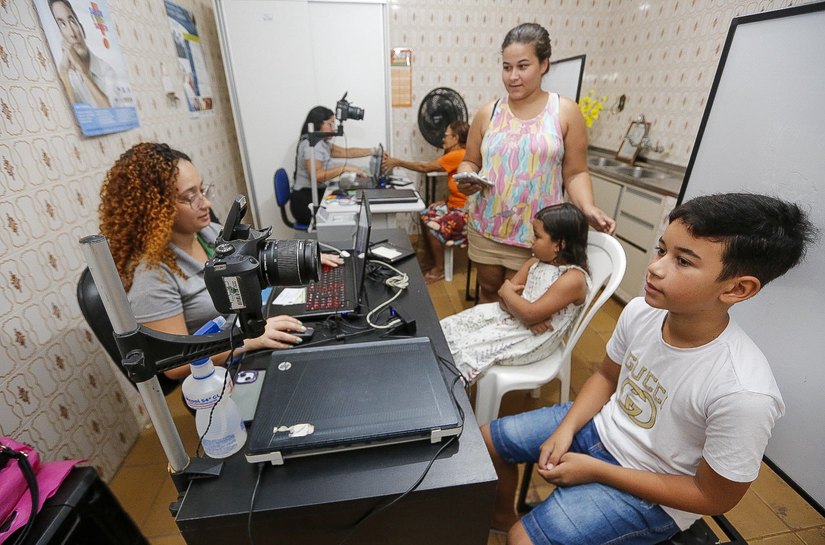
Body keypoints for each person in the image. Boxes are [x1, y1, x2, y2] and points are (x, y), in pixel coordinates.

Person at [482, 193, 816, 545]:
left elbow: (713, 497)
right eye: (661, 250)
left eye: (683, 261)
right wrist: (567, 429)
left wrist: (596, 470)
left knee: (523, 541)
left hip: (655, 491)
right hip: (601, 429)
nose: (656, 267)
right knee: (487, 442)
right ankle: (504, 516)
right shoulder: (641, 312)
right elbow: (606, 376)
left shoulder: (743, 392)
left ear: (738, 288)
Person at [99, 142, 342, 380]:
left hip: (250, 328)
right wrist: (248, 340)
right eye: (190, 197)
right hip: (219, 370)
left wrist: (301, 259)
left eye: (202, 190)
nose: (206, 203)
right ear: (155, 208)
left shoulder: (207, 233)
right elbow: (174, 366)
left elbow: (255, 264)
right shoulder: (151, 277)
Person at [457, 22, 615, 303]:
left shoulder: (565, 112)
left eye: (522, 66)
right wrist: (466, 176)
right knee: (489, 292)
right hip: (486, 228)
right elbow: (470, 161)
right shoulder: (488, 113)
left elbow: (576, 172)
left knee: (526, 302)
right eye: (507, 67)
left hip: (538, 237)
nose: (513, 77)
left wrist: (587, 206)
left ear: (544, 65)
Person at [440, 203, 590, 384]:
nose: (531, 240)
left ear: (560, 245)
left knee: (468, 350)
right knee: (452, 327)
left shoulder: (573, 278)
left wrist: (510, 295)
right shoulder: (535, 262)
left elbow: (522, 306)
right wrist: (521, 310)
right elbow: (507, 301)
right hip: (515, 319)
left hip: (535, 339)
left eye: (537, 236)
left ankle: (445, 392)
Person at [383, 120, 470, 283]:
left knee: (432, 224)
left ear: (456, 138)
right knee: (425, 213)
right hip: (455, 206)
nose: (442, 139)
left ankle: (439, 269)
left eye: (446, 136)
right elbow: (460, 189)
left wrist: (398, 162)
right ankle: (430, 259)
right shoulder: (458, 155)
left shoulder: (458, 154)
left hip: (465, 213)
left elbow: (425, 168)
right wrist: (445, 201)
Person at [290, 106, 374, 225]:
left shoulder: (322, 143)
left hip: (316, 194)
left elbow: (348, 152)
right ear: (318, 124)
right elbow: (317, 175)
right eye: (330, 124)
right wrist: (344, 168)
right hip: (306, 202)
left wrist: (373, 151)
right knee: (348, 212)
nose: (333, 128)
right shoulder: (311, 144)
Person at [48, 0, 119, 108]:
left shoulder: (107, 69)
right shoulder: (70, 77)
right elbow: (74, 114)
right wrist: (63, 73)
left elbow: (111, 112)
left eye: (72, 21)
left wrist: (83, 71)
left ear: (82, 29)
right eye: (62, 25)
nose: (72, 34)